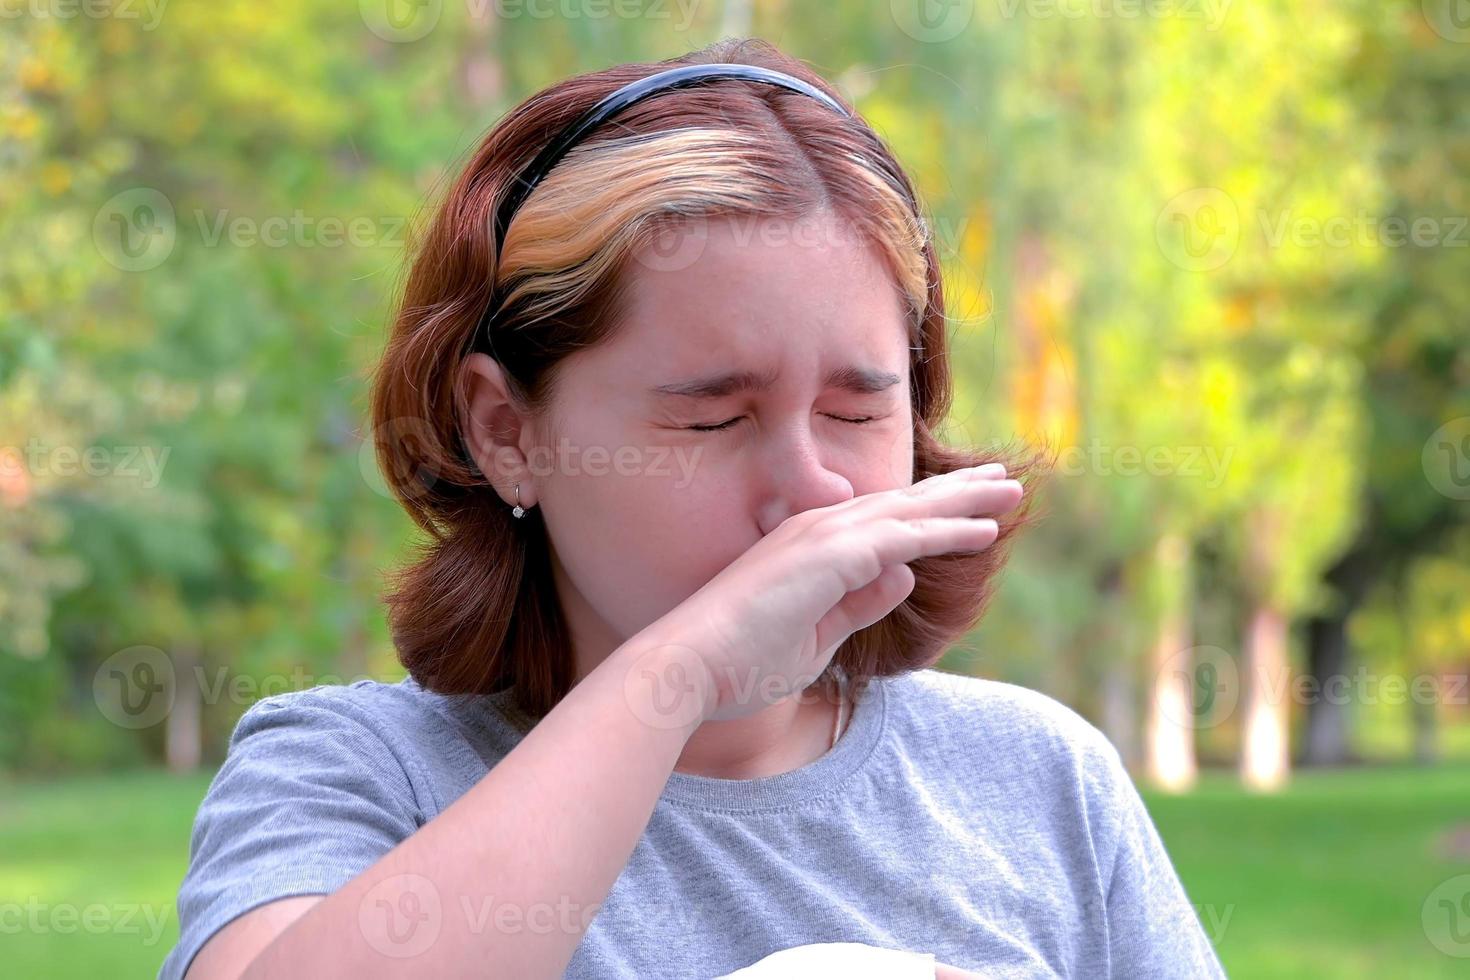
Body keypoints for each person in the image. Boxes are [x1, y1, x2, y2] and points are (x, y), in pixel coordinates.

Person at [159, 36, 1226, 980]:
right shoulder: (362, 770)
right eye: (713, 420)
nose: (815, 489)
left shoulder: (1034, 777)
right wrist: (681, 673)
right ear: (505, 431)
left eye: (858, 410)